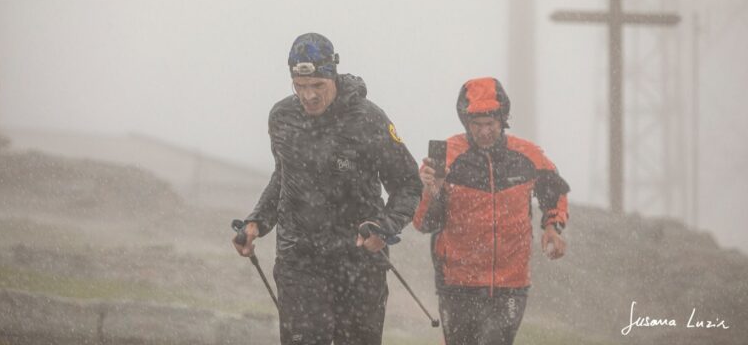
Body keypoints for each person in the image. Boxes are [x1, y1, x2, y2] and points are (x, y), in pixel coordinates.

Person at [232, 32, 422, 345]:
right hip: (299, 261)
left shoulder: (369, 120)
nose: (309, 96)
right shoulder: (282, 117)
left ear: (332, 76)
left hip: (359, 263)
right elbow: (283, 176)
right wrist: (256, 223)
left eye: (317, 85)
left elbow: (408, 184)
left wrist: (385, 228)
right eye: (300, 86)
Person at [413, 77, 569, 345]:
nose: (485, 131)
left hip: (511, 284)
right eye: (477, 124)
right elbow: (423, 223)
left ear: (503, 120)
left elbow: (554, 191)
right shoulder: (446, 157)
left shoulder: (527, 155)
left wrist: (553, 227)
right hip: (457, 284)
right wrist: (433, 190)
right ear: (466, 123)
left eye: (491, 124)